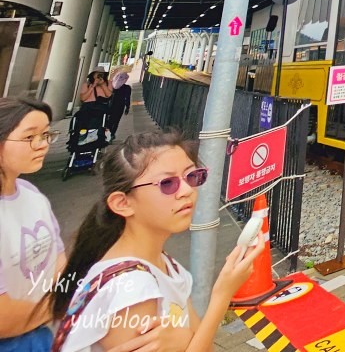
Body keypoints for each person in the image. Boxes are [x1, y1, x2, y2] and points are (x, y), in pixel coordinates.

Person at [51, 132, 261, 352]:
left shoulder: (161, 262)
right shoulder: (131, 290)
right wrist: (222, 297)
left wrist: (185, 337)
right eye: (167, 183)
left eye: (192, 176)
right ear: (122, 203)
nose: (187, 191)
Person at [0, 98, 63, 352]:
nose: (43, 145)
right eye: (30, 137)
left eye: (47, 134)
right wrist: (60, 304)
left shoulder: (32, 194)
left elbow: (58, 260)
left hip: (39, 336)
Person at [104, 76, 130, 143]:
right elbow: (127, 98)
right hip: (120, 106)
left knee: (109, 121)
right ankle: (111, 135)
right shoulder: (127, 88)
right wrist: (127, 107)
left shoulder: (112, 87)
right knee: (116, 122)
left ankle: (107, 135)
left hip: (110, 106)